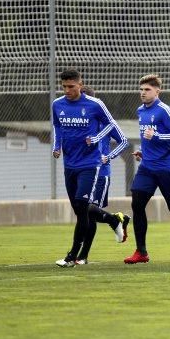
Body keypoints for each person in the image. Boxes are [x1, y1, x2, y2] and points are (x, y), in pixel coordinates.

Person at [51, 69, 126, 267]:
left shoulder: (96, 106)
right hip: (70, 165)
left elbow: (116, 131)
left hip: (92, 167)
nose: (67, 90)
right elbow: (57, 127)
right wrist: (56, 146)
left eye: (71, 86)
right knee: (81, 211)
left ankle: (74, 256)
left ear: (80, 84)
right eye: (64, 87)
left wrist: (101, 145)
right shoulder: (57, 105)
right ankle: (113, 220)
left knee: (84, 209)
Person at [124, 74, 170, 264]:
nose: (143, 93)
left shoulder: (164, 110)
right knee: (137, 204)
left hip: (168, 167)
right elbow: (147, 137)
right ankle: (141, 252)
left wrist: (156, 136)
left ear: (158, 91)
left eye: (147, 90)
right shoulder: (141, 110)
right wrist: (143, 150)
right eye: (141, 90)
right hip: (147, 167)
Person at [74, 85, 131, 265]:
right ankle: (115, 219)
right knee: (86, 212)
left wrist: (109, 156)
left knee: (89, 210)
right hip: (83, 171)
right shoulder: (78, 121)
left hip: (101, 173)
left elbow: (124, 141)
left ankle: (83, 255)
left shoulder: (105, 122)